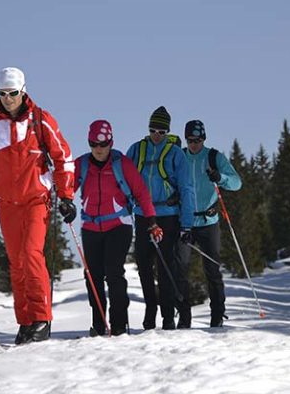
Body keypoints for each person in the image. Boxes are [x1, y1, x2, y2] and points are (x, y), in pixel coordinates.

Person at [0, 67, 76, 344]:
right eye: (3, 94)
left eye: (13, 93)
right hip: (7, 202)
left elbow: (63, 157)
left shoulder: (41, 120)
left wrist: (66, 195)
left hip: (36, 199)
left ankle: (42, 318)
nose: (8, 99)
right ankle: (26, 322)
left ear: (23, 90)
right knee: (17, 263)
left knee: (32, 255)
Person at [74, 119, 160, 336]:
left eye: (103, 145)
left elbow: (141, 192)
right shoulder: (81, 164)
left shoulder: (122, 164)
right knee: (92, 276)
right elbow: (66, 186)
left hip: (118, 225)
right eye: (94, 144)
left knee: (113, 272)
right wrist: (64, 201)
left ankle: (119, 324)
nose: (99, 149)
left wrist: (151, 220)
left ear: (111, 143)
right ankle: (99, 324)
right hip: (90, 226)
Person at [126, 106, 195, 330]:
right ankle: (150, 311)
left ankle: (167, 316)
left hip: (168, 216)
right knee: (144, 265)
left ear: (168, 132)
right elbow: (124, 181)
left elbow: (187, 189)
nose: (157, 135)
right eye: (153, 130)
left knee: (166, 268)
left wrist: (186, 224)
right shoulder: (136, 150)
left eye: (162, 131)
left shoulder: (176, 154)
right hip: (142, 215)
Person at [176, 119, 242, 328]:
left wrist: (219, 177)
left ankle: (217, 316)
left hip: (208, 221)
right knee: (180, 269)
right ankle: (184, 317)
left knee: (212, 270)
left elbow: (237, 183)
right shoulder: (181, 157)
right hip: (185, 221)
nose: (194, 144)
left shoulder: (213, 157)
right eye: (190, 140)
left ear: (203, 139)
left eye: (198, 140)